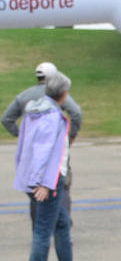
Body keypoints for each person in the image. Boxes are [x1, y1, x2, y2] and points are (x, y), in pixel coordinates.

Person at [14, 69, 85, 261]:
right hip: (48, 180)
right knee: (43, 230)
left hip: (38, 178)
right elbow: (44, 152)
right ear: (64, 94)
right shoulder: (52, 117)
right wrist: (42, 183)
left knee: (61, 223)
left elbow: (26, 147)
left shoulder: (32, 114)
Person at [4, 61, 82, 224]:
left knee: (35, 186)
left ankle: (38, 222)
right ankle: (62, 222)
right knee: (62, 184)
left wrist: (23, 136)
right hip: (56, 149)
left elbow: (6, 119)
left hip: (32, 153)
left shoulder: (24, 95)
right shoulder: (56, 95)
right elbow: (76, 113)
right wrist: (71, 136)